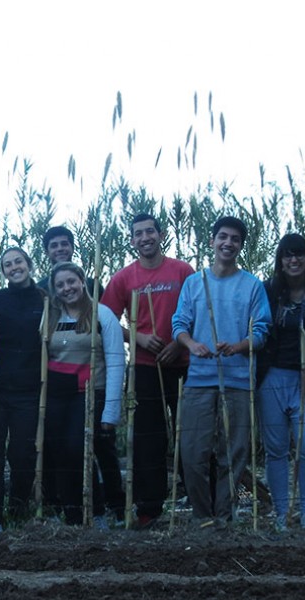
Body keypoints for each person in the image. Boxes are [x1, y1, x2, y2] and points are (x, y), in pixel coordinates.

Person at [172, 216, 271, 526]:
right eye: (223, 237)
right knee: (192, 452)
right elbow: (179, 325)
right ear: (212, 241)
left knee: (235, 452)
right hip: (199, 380)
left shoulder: (252, 285)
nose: (228, 243)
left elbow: (262, 331)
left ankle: (225, 517)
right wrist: (192, 344)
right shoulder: (195, 282)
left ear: (241, 245)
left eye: (235, 239)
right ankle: (202, 516)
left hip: (238, 380)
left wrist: (240, 345)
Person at [101, 213, 195, 527]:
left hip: (182, 364)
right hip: (143, 366)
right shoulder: (123, 278)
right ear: (132, 240)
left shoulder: (182, 271)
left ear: (161, 234)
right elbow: (106, 321)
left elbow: (198, 313)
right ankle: (149, 509)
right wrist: (138, 337)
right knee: (148, 439)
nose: (145, 238)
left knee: (191, 434)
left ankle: (201, 504)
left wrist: (180, 345)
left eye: (150, 232)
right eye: (138, 233)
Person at [255, 234, 305, 531]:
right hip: (271, 377)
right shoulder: (266, 292)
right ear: (280, 260)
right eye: (287, 255)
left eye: (299, 254)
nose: (294, 260)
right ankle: (281, 513)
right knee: (275, 448)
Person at [42, 262, 125, 528]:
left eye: (71, 282)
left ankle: (98, 511)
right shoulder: (50, 316)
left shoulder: (103, 315)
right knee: (58, 453)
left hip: (90, 394)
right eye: (60, 285)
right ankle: (72, 515)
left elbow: (115, 362)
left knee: (78, 450)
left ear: (82, 281)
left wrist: (112, 409)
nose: (67, 288)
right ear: (54, 290)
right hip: (56, 396)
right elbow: (43, 358)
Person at [0, 248, 46, 525]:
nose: (14, 267)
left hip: (30, 389)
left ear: (28, 264)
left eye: (18, 261)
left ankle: (18, 510)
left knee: (22, 453)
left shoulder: (44, 299)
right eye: (8, 264)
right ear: (3, 271)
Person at [35, 225, 103, 298]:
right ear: (47, 252)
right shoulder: (40, 290)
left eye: (64, 244)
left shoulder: (93, 286)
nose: (60, 249)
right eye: (54, 246)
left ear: (72, 248)